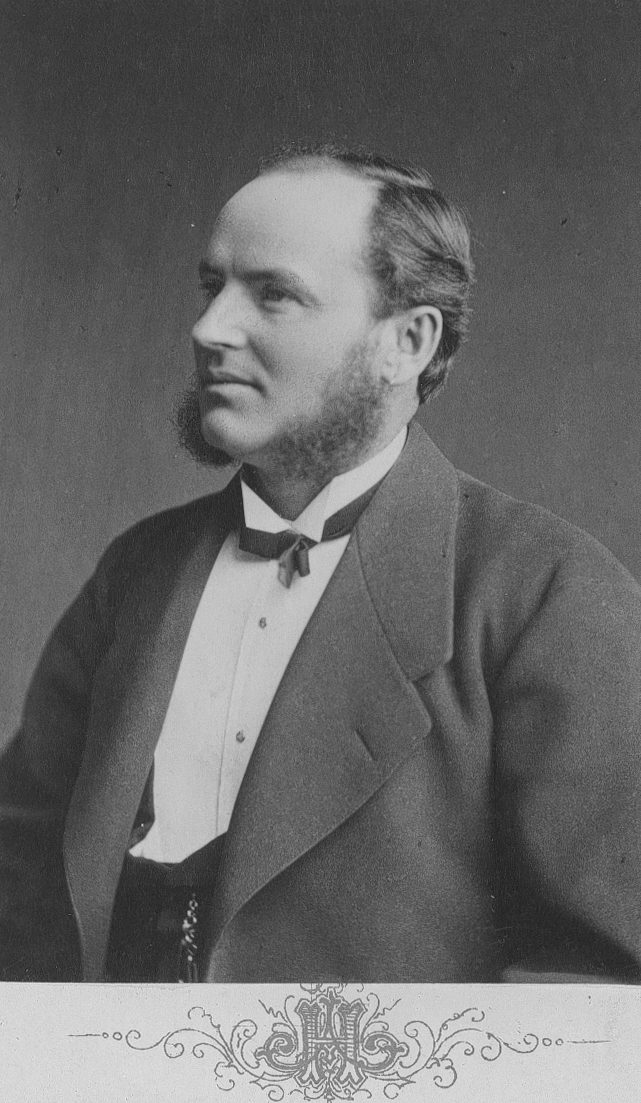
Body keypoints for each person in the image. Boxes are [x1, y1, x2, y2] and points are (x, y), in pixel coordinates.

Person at [1, 145, 640, 985]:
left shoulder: (545, 593)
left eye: (274, 294)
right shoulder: (138, 572)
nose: (209, 329)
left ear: (406, 341)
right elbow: (18, 879)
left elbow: (600, 981)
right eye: (212, 286)